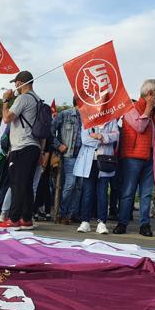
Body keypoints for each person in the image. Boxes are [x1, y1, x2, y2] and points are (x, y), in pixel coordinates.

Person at [113, 79, 155, 237]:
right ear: (150, 94)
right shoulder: (131, 109)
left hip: (150, 156)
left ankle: (144, 225)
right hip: (132, 157)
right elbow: (140, 127)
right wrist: (147, 109)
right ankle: (122, 223)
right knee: (128, 191)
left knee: (146, 193)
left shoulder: (154, 112)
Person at [0, 71, 43, 230]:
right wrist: (41, 151)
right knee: (27, 184)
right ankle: (26, 218)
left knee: (17, 184)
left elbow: (7, 118)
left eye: (16, 82)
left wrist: (5, 100)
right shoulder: (38, 100)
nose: (14, 86)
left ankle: (14, 219)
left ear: (21, 83)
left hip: (21, 145)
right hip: (34, 146)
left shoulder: (23, 98)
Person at [74, 120, 120, 234]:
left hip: (104, 161)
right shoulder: (88, 119)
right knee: (87, 193)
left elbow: (116, 136)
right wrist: (102, 141)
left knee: (103, 193)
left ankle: (102, 222)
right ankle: (85, 221)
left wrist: (100, 136)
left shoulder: (111, 120)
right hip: (89, 161)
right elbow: (84, 139)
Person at [52, 96, 83, 225]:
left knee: (79, 186)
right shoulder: (65, 115)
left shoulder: (89, 118)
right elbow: (50, 131)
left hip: (82, 156)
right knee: (70, 184)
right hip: (69, 155)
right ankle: (62, 213)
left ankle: (71, 214)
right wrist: (59, 145)